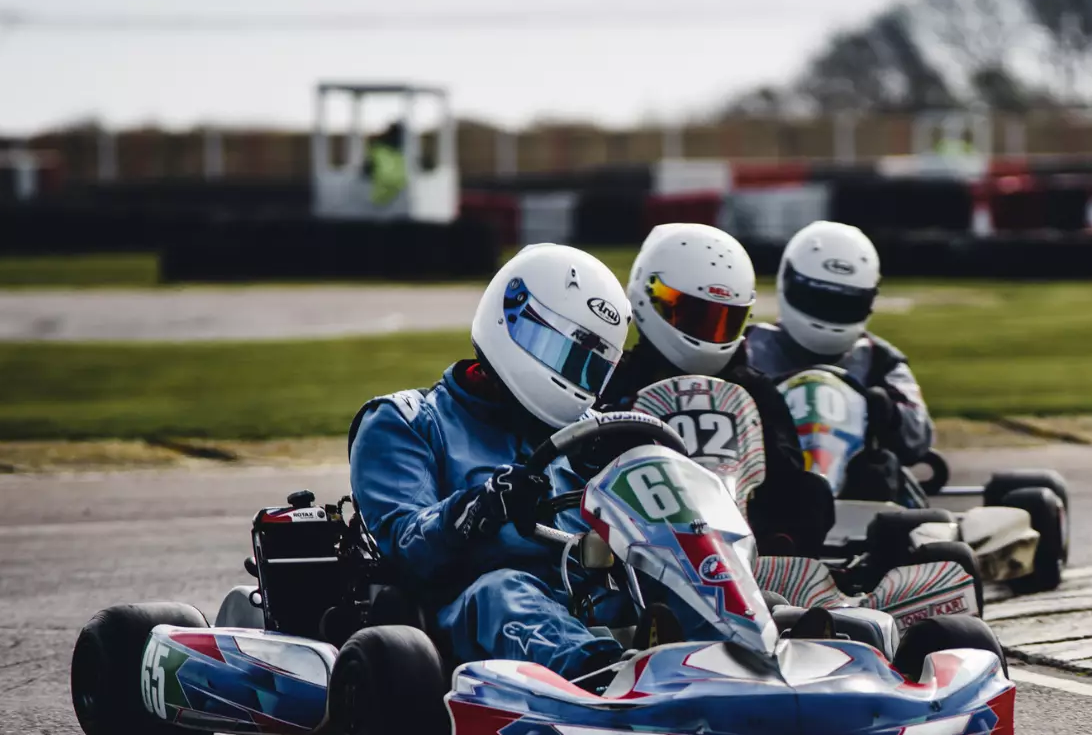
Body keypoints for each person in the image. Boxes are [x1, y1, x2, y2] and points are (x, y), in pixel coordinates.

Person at [349, 243, 632, 682]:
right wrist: (479, 507)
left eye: (587, 367)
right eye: (562, 354)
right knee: (504, 591)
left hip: (584, 598)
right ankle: (601, 680)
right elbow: (405, 544)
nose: (572, 379)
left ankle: (736, 655)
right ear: (512, 320)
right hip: (463, 613)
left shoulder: (595, 434)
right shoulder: (407, 421)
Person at [600, 222, 831, 551]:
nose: (709, 333)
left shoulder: (756, 394)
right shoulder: (614, 384)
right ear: (650, 296)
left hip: (747, 559)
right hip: (633, 552)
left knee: (812, 491)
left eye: (724, 320)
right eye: (695, 316)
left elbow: (789, 485)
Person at [742, 220, 934, 502]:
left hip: (861, 501)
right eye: (817, 298)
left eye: (844, 304)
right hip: (763, 494)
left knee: (884, 470)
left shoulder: (880, 361)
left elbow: (919, 438)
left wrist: (888, 414)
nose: (827, 313)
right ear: (789, 282)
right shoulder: (746, 350)